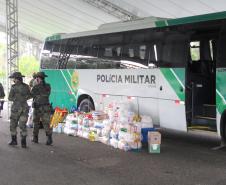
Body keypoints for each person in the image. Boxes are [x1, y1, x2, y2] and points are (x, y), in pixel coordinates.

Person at [8, 72, 31, 148]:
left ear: (16, 79)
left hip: (16, 108)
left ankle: (14, 141)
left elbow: (10, 98)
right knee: (22, 125)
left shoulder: (13, 87)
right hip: (24, 108)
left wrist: (17, 98)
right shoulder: (27, 86)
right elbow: (30, 96)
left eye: (13, 78)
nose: (13, 80)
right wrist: (23, 98)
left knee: (13, 125)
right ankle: (23, 143)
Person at [31, 71, 53, 145]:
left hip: (37, 107)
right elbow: (47, 94)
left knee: (36, 122)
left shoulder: (35, 87)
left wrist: (35, 85)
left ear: (37, 79)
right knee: (46, 123)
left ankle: (35, 138)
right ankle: (49, 139)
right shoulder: (48, 86)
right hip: (46, 107)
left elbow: (32, 95)